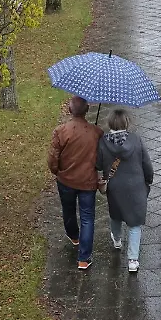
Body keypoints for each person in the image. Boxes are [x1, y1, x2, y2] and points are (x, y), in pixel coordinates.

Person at [48, 96, 104, 270]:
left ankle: (74, 236)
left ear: (70, 110)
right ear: (87, 111)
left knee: (68, 210)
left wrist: (57, 171)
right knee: (87, 217)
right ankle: (84, 258)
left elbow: (52, 158)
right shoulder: (96, 132)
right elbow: (101, 160)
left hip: (66, 181)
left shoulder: (61, 131)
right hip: (87, 182)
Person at [96, 109, 153, 273]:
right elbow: (146, 164)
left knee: (116, 215)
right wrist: (148, 181)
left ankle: (117, 240)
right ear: (127, 123)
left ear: (109, 123)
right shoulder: (136, 140)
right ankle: (133, 260)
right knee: (135, 223)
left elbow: (98, 165)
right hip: (136, 187)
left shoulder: (103, 141)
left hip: (114, 187)